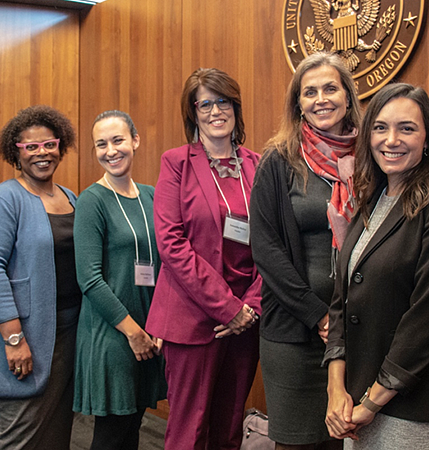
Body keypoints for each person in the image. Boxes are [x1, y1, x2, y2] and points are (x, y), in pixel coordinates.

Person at [324, 83, 429, 449]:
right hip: (355, 399)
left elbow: (427, 318)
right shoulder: (371, 202)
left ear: (427, 140)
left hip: (410, 403)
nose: (391, 139)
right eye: (380, 127)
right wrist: (335, 390)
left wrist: (373, 401)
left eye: (406, 128)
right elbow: (341, 302)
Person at [146, 68, 262, 450]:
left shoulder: (257, 165)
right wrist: (227, 308)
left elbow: (273, 243)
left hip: (246, 322)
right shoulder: (176, 162)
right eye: (205, 103)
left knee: (229, 427)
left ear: (236, 107)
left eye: (223, 101)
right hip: (194, 319)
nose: (215, 111)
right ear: (193, 113)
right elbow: (171, 243)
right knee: (190, 431)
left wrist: (250, 307)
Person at [250, 52, 361, 449]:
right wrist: (319, 317)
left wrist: (340, 325)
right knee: (297, 442)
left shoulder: (370, 159)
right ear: (298, 103)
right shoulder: (278, 161)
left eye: (330, 88)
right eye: (309, 92)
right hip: (293, 334)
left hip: (357, 331)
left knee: (347, 440)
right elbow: (265, 249)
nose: (321, 99)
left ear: (348, 95)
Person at [0, 105, 79, 449]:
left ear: (60, 147)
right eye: (30, 147)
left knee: (57, 428)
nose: (41, 153)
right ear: (15, 153)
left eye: (48, 145)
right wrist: (14, 338)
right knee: (21, 433)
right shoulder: (4, 199)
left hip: (69, 330)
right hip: (26, 335)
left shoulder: (71, 197)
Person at [73, 110, 166, 450]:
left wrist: (157, 327)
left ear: (135, 141)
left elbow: (165, 264)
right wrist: (134, 332)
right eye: (101, 144)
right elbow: (90, 279)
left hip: (149, 330)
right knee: (112, 436)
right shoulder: (91, 201)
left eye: (118, 140)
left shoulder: (151, 196)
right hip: (114, 334)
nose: (110, 150)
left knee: (132, 429)